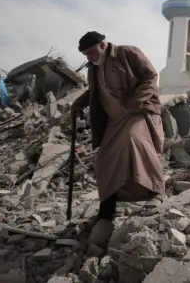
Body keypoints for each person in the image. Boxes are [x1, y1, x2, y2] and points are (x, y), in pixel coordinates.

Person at [71, 31, 166, 247]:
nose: (89, 58)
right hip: (114, 121)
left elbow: (150, 76)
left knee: (134, 141)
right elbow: (95, 92)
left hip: (138, 112)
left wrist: (136, 102)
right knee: (103, 159)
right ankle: (107, 210)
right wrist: (78, 103)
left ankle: (157, 192)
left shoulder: (127, 53)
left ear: (102, 45)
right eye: (85, 54)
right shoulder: (93, 69)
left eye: (91, 52)